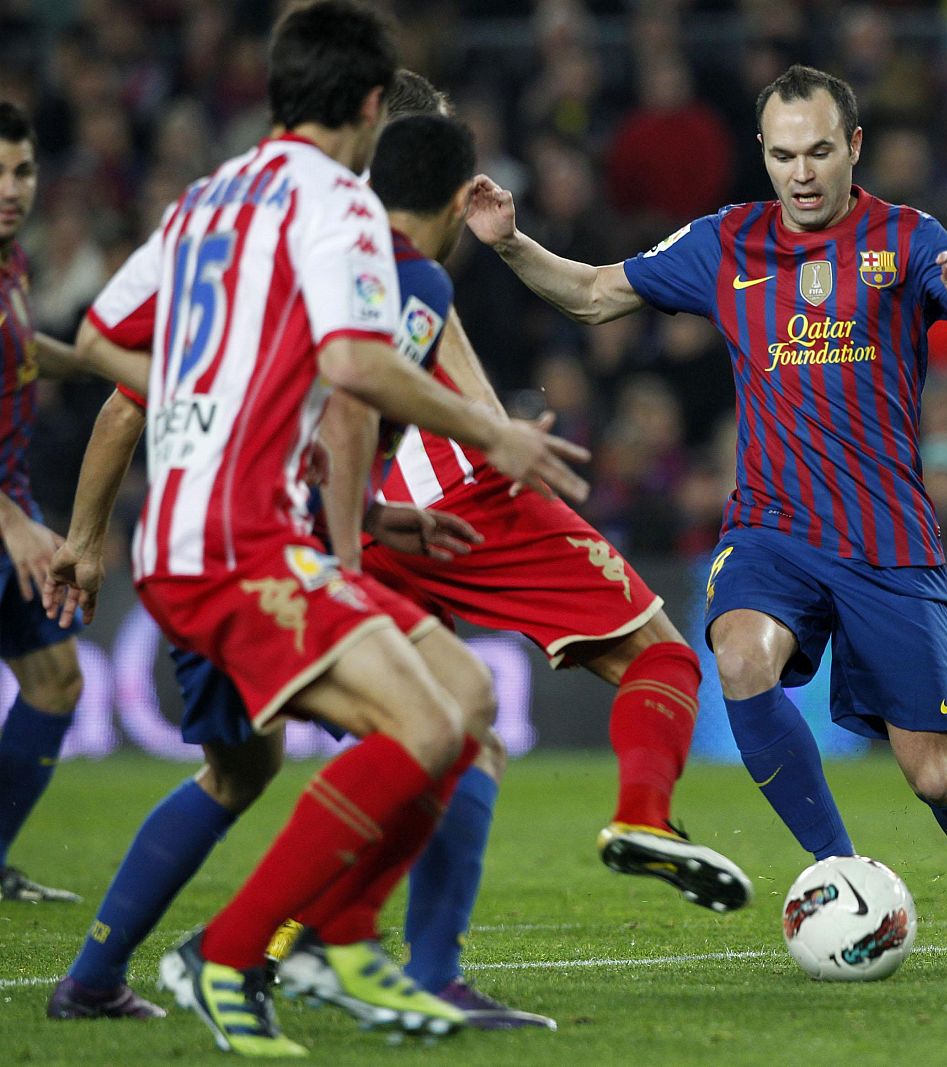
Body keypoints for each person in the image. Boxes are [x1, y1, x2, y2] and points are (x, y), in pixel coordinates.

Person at [70, 4, 582, 1054]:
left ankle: (330, 938)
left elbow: (97, 338)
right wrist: (492, 430)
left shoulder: (208, 195)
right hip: (239, 545)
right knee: (432, 724)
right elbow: (355, 369)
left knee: (461, 699)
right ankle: (249, 950)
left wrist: (232, 408)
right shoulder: (342, 204)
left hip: (217, 531)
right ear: (370, 105)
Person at [467, 64, 947, 963]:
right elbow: (594, 293)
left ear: (854, 146)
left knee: (935, 774)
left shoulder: (908, 239)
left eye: (819, 151)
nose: (801, 173)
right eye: (782, 154)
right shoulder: (726, 241)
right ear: (764, 153)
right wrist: (510, 244)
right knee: (737, 656)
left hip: (886, 537)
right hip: (771, 528)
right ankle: (841, 872)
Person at [0, 102, 127, 905]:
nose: (11, 188)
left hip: (11, 503)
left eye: (21, 170)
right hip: (5, 514)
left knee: (56, 680)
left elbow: (20, 347)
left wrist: (87, 360)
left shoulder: (11, 261)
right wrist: (10, 519)